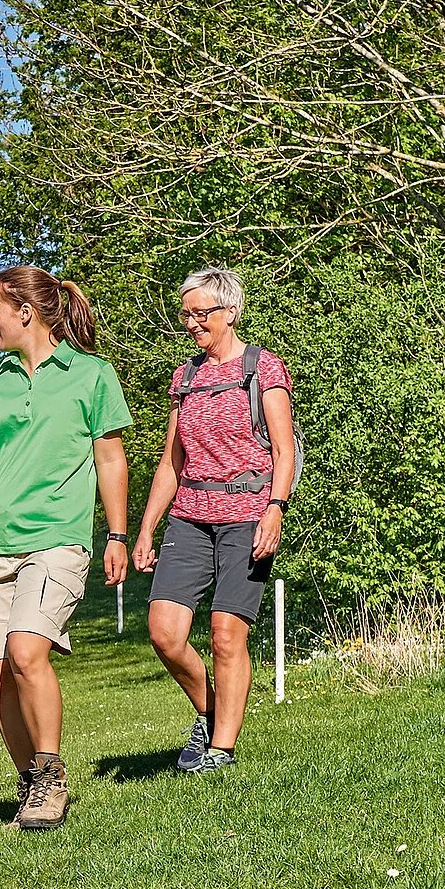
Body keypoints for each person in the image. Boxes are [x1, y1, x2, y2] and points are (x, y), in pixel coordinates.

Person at [0, 266, 133, 832]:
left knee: (26, 652)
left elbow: (111, 459)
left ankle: (51, 777)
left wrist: (116, 534)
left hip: (57, 538)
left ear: (26, 311)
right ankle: (31, 786)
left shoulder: (91, 376)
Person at [132, 267, 296, 773]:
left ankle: (221, 749)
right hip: (189, 515)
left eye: (201, 313)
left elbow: (285, 452)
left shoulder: (262, 369)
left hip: (248, 514)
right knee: (165, 633)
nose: (191, 323)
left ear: (230, 312)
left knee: (227, 633)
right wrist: (145, 528)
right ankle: (209, 712)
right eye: (186, 314)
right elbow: (171, 461)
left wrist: (276, 508)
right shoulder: (185, 377)